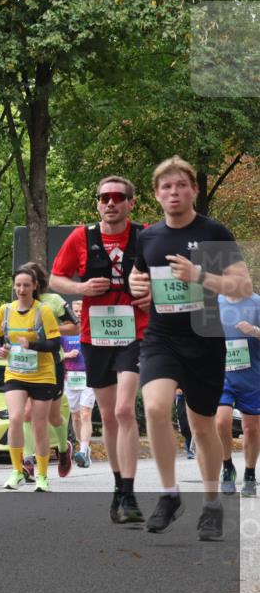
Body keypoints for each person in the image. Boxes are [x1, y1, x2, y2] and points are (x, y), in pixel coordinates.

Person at [129, 156, 252, 539]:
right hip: (162, 337)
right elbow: (138, 277)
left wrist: (199, 274)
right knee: (154, 406)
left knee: (202, 427)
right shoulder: (148, 237)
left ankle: (212, 504)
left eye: (181, 185)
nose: (174, 192)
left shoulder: (214, 232)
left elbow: (243, 286)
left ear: (193, 190)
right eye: (166, 187)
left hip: (206, 338)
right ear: (156, 195)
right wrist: (137, 288)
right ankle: (169, 495)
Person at [50, 175, 149, 524]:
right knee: (107, 415)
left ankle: (130, 491)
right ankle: (119, 487)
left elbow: (170, 278)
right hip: (96, 336)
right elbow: (55, 278)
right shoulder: (82, 236)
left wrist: (154, 294)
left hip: (135, 332)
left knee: (124, 410)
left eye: (118, 197)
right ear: (97, 203)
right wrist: (81, 287)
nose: (110, 203)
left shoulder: (145, 235)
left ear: (130, 203)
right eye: (104, 197)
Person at [0, 267, 62, 493]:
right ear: (14, 287)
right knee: (15, 418)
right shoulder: (5, 310)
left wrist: (31, 345)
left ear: (34, 286)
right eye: (18, 285)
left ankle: (42, 475)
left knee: (39, 425)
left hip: (43, 374)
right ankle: (17, 471)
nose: (21, 289)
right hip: (15, 372)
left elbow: (55, 344)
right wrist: (1, 350)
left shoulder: (43, 311)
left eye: (26, 285)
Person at [19, 262, 79, 481]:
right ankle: (28, 461)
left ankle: (64, 449)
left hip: (52, 363)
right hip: (25, 364)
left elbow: (75, 326)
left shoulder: (53, 301)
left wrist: (49, 329)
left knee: (53, 417)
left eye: (30, 280)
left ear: (38, 282)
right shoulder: (17, 305)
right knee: (26, 413)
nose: (25, 286)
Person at [216, 292, 260, 497]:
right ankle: (227, 467)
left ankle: (250, 474)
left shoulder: (256, 302)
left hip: (251, 375)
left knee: (251, 428)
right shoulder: (214, 303)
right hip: (222, 373)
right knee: (221, 422)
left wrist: (254, 331)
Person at [62, 299, 97, 468]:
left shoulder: (92, 329)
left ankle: (83, 450)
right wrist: (67, 356)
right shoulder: (65, 331)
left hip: (89, 377)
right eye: (75, 311)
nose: (78, 313)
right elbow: (55, 354)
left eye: (81, 310)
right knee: (75, 416)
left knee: (85, 414)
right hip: (70, 378)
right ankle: (82, 447)